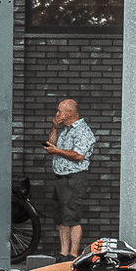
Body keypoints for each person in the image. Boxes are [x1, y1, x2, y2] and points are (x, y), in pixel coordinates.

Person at [41, 97, 95, 260]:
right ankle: (63, 252)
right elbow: (52, 144)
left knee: (72, 215)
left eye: (60, 111)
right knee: (62, 216)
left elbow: (79, 155)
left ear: (70, 112)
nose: (57, 114)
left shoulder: (82, 131)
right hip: (61, 178)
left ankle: (73, 253)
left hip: (74, 178)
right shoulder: (65, 130)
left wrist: (57, 151)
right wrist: (54, 128)